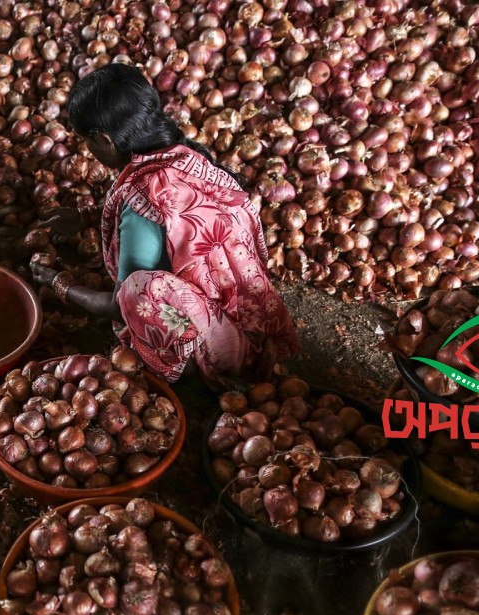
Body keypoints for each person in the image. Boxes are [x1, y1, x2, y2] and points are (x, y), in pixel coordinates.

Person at [30, 62, 300, 384]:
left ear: (105, 141)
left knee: (138, 293)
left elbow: (118, 305)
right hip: (254, 321)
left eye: (88, 142)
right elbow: (169, 214)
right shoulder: (187, 156)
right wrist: (84, 216)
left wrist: (60, 283)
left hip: (228, 347)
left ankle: (193, 368)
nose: (88, 151)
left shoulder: (141, 198)